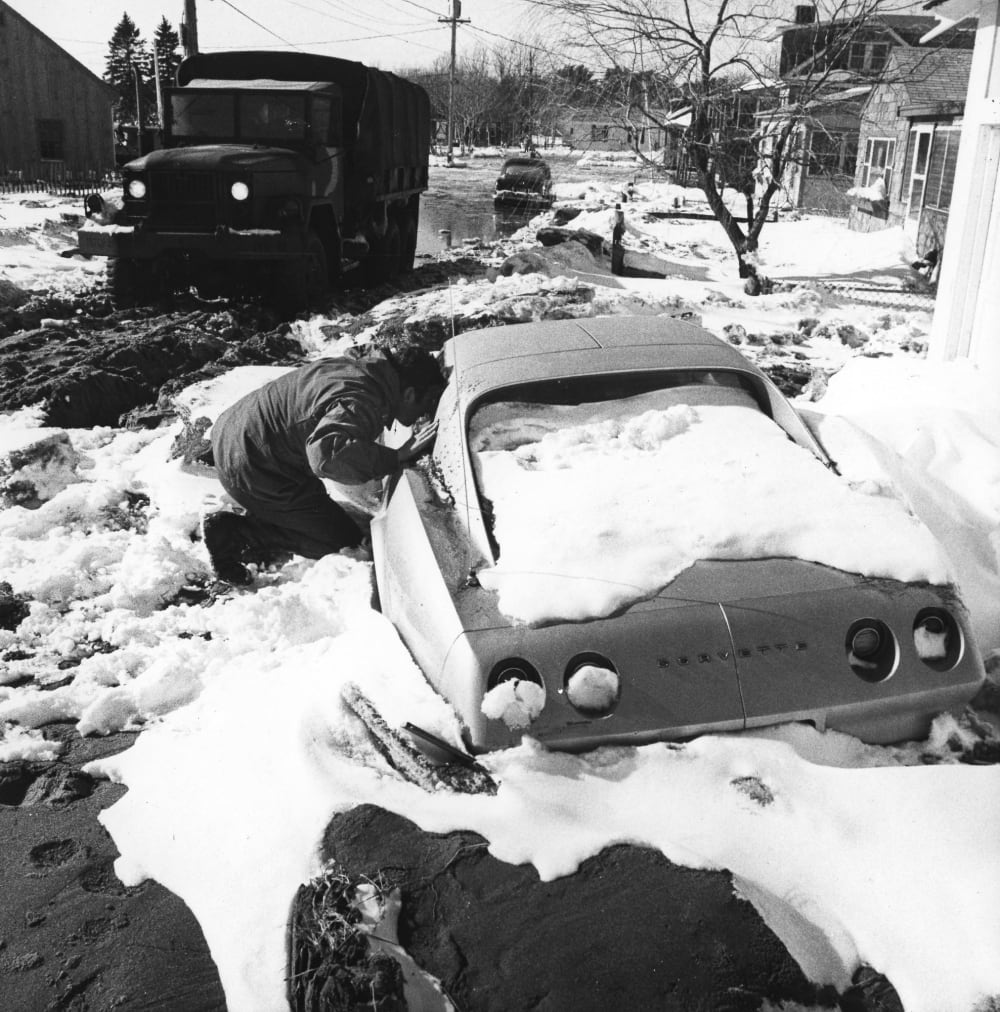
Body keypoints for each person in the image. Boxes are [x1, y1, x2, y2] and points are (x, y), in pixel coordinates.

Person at [202, 346, 445, 585]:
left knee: (318, 513)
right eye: (428, 402)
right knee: (344, 543)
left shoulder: (364, 370)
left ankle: (269, 515)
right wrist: (396, 456)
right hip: (252, 463)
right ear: (410, 394)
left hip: (238, 433)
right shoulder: (364, 399)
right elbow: (327, 457)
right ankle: (236, 534)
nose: (424, 413)